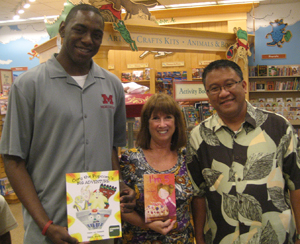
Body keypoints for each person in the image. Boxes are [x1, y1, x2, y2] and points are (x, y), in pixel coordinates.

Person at [0, 4, 135, 244]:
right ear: (62, 29)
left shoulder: (112, 85)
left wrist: (121, 184)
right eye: (79, 30)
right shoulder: (29, 86)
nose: (87, 40)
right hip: (51, 227)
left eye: (96, 34)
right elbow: (13, 160)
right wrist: (46, 225)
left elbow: (111, 147)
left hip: (100, 226)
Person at [187, 59, 300, 244]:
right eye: (214, 88)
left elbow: (296, 182)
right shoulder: (199, 136)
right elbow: (198, 193)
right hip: (221, 238)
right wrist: (199, 238)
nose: (224, 93)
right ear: (207, 94)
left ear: (244, 85)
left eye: (229, 84)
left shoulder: (278, 126)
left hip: (275, 236)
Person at [119, 93, 195, 243]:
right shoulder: (130, 160)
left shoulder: (188, 157)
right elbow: (116, 204)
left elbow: (198, 199)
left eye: (168, 117)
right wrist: (147, 224)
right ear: (146, 123)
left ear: (176, 122)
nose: (162, 124)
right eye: (155, 118)